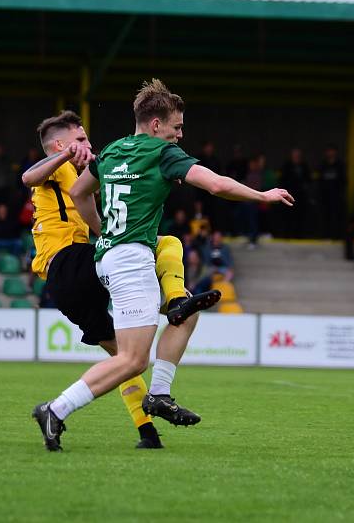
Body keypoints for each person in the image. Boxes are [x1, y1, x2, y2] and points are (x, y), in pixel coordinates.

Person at [33, 80, 293, 452]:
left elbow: (78, 193)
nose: (180, 134)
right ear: (156, 125)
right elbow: (215, 185)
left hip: (108, 258)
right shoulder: (161, 154)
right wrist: (262, 195)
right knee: (132, 359)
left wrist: (102, 230)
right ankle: (55, 409)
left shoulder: (111, 151)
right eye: (177, 127)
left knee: (184, 310)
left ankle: (159, 393)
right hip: (130, 263)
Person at [22, 110, 221, 450]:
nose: (87, 144)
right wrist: (66, 156)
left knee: (125, 361)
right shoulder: (56, 168)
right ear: (59, 144)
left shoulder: (86, 168)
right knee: (167, 243)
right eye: (80, 139)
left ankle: (146, 432)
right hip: (69, 262)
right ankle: (175, 302)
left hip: (71, 283)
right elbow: (28, 177)